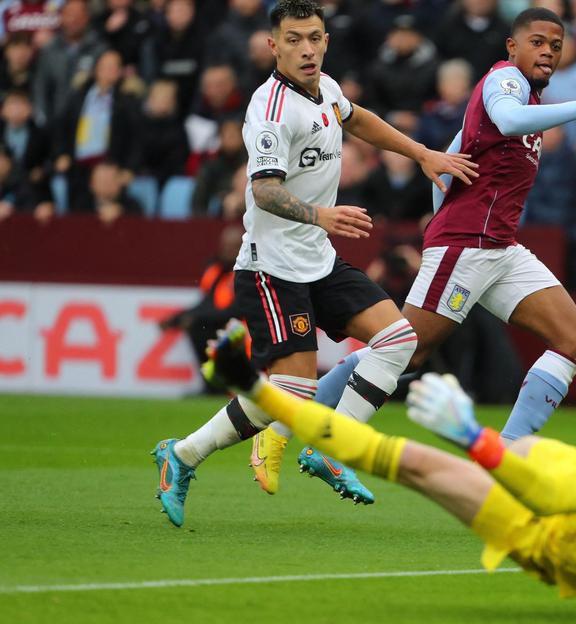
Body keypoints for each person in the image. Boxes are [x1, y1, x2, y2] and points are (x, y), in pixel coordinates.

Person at [197, 194, 576, 609]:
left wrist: (473, 438)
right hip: (573, 483)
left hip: (556, 543)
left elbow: (555, 496)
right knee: (414, 432)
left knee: (408, 463)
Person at [150, 0, 478, 527]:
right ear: (273, 45)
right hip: (271, 268)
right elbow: (263, 192)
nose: (307, 48)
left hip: (318, 259)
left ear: (326, 40)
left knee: (398, 339)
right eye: (295, 39)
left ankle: (330, 448)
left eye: (315, 37)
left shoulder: (325, 88)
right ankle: (183, 454)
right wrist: (320, 215)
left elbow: (359, 118)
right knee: (292, 392)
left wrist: (420, 153)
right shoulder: (272, 110)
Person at [310, 7, 576, 461]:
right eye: (537, 42)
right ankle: (301, 420)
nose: (547, 52)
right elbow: (509, 120)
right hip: (468, 243)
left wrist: (438, 215)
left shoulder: (528, 100)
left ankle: (510, 458)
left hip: (498, 246)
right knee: (406, 350)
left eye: (555, 46)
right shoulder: (506, 81)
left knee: (572, 338)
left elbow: (451, 155)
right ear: (512, 47)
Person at [160, 225, 244, 390]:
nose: (227, 250)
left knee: (200, 327)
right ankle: (212, 383)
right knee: (198, 327)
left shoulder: (244, 275)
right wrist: (179, 317)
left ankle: (222, 384)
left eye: (233, 246)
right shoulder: (215, 271)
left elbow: (237, 310)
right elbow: (206, 303)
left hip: (242, 327)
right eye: (225, 245)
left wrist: (196, 318)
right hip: (221, 323)